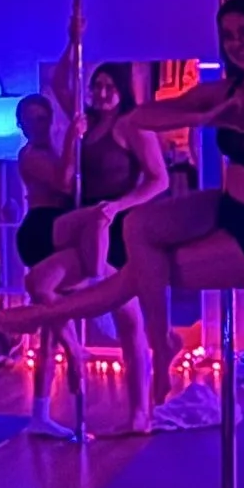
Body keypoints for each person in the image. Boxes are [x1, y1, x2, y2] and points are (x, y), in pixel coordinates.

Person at [0, 0, 244, 416]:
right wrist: (208, 115)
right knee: (130, 235)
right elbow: (139, 114)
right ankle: (159, 343)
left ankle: (42, 325)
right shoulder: (221, 93)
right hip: (221, 205)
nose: (238, 43)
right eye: (228, 36)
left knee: (136, 280)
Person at [46, 60, 168, 432]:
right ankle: (77, 336)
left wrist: (119, 205)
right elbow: (58, 82)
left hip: (118, 224)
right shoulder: (88, 121)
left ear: (122, 89)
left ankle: (139, 412)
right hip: (89, 221)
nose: (101, 93)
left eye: (109, 87)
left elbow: (159, 180)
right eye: (96, 86)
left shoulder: (132, 125)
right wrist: (72, 42)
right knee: (48, 283)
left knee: (129, 319)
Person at [11, 90, 83, 441]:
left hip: (57, 228)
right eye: (32, 120)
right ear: (21, 125)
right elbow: (64, 182)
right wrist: (72, 139)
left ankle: (40, 413)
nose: (39, 125)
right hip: (41, 231)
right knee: (56, 318)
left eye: (44, 118)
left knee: (50, 332)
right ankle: (75, 350)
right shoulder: (30, 156)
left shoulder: (49, 150)